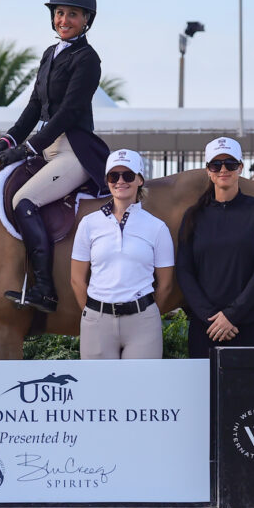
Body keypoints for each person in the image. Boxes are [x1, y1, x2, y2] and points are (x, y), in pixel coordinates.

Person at [0, 0, 110, 313]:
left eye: (72, 14)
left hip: (73, 149)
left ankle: (44, 289)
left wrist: (28, 149)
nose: (64, 20)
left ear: (86, 20)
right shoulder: (50, 54)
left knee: (24, 200)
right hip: (46, 146)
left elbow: (69, 112)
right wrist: (8, 138)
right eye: (59, 13)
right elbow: (33, 107)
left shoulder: (88, 59)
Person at [176, 137, 254, 359]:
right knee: (204, 393)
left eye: (230, 164)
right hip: (207, 327)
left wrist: (232, 315)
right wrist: (211, 316)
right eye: (216, 164)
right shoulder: (193, 216)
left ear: (240, 167)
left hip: (249, 322)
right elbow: (184, 271)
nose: (223, 169)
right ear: (208, 171)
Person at [70, 149, 174, 359]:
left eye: (127, 175)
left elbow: (166, 284)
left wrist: (148, 316)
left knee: (140, 389)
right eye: (113, 176)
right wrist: (93, 315)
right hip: (97, 321)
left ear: (140, 180)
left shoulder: (157, 227)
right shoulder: (89, 224)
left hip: (142, 322)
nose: (120, 181)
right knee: (98, 390)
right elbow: (76, 279)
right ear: (107, 180)